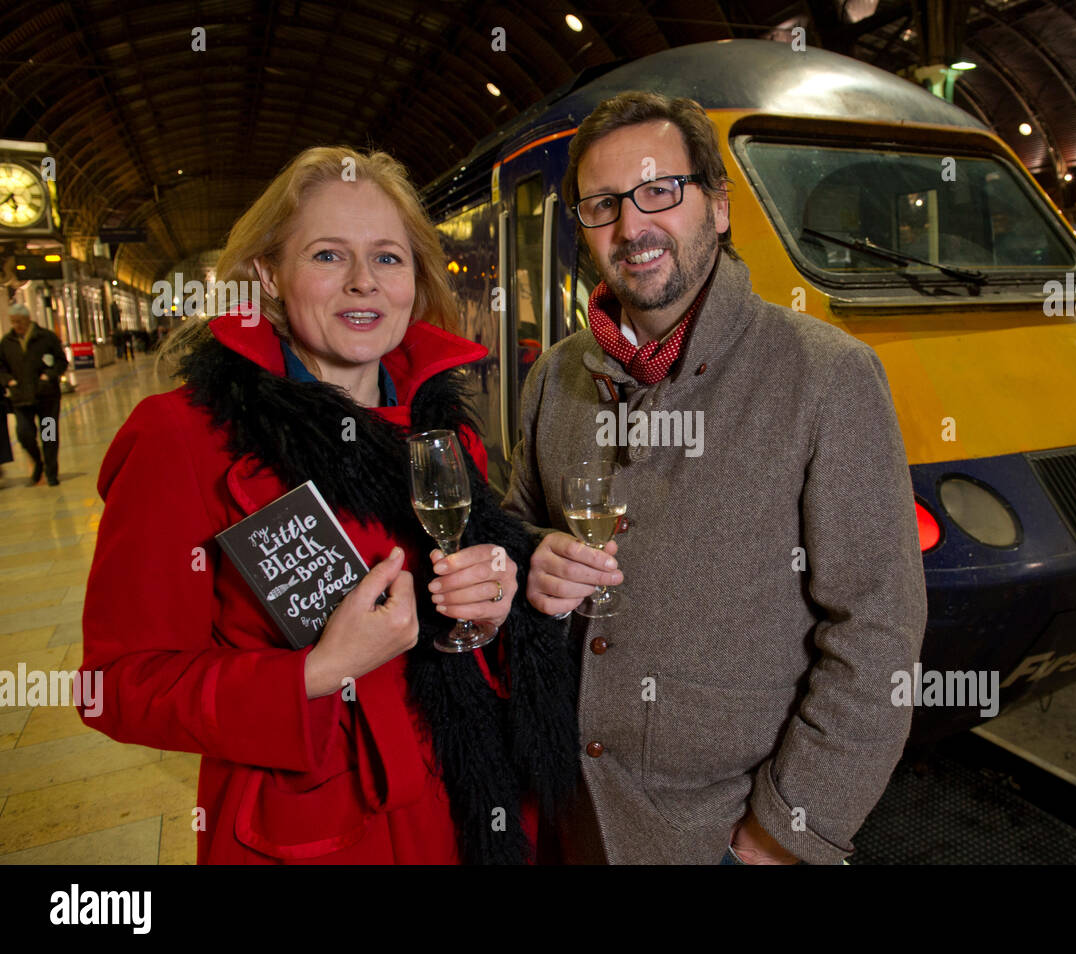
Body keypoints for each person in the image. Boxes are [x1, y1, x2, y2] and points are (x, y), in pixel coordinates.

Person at [79, 147, 578, 864]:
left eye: (387, 258)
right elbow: (114, 687)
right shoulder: (182, 437)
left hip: (472, 804)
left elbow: (468, 625)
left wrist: (496, 601)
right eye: (326, 256)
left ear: (415, 279)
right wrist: (314, 672)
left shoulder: (445, 431)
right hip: (323, 830)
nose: (362, 284)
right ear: (268, 277)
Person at [503, 92, 928, 865]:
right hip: (566, 817)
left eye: (660, 191)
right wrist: (530, 553)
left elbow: (878, 635)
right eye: (603, 206)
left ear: (720, 207)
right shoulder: (556, 375)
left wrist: (783, 834)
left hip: (717, 838)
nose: (633, 227)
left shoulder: (826, 376)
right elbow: (512, 531)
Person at [0, 302, 68, 486]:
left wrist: (49, 375)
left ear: (28, 319)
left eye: (19, 321)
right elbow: (2, 368)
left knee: (49, 435)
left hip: (47, 397)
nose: (16, 326)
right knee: (24, 433)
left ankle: (51, 472)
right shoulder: (7, 343)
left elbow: (61, 361)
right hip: (21, 398)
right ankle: (37, 462)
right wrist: (8, 380)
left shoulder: (46, 338)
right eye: (13, 322)